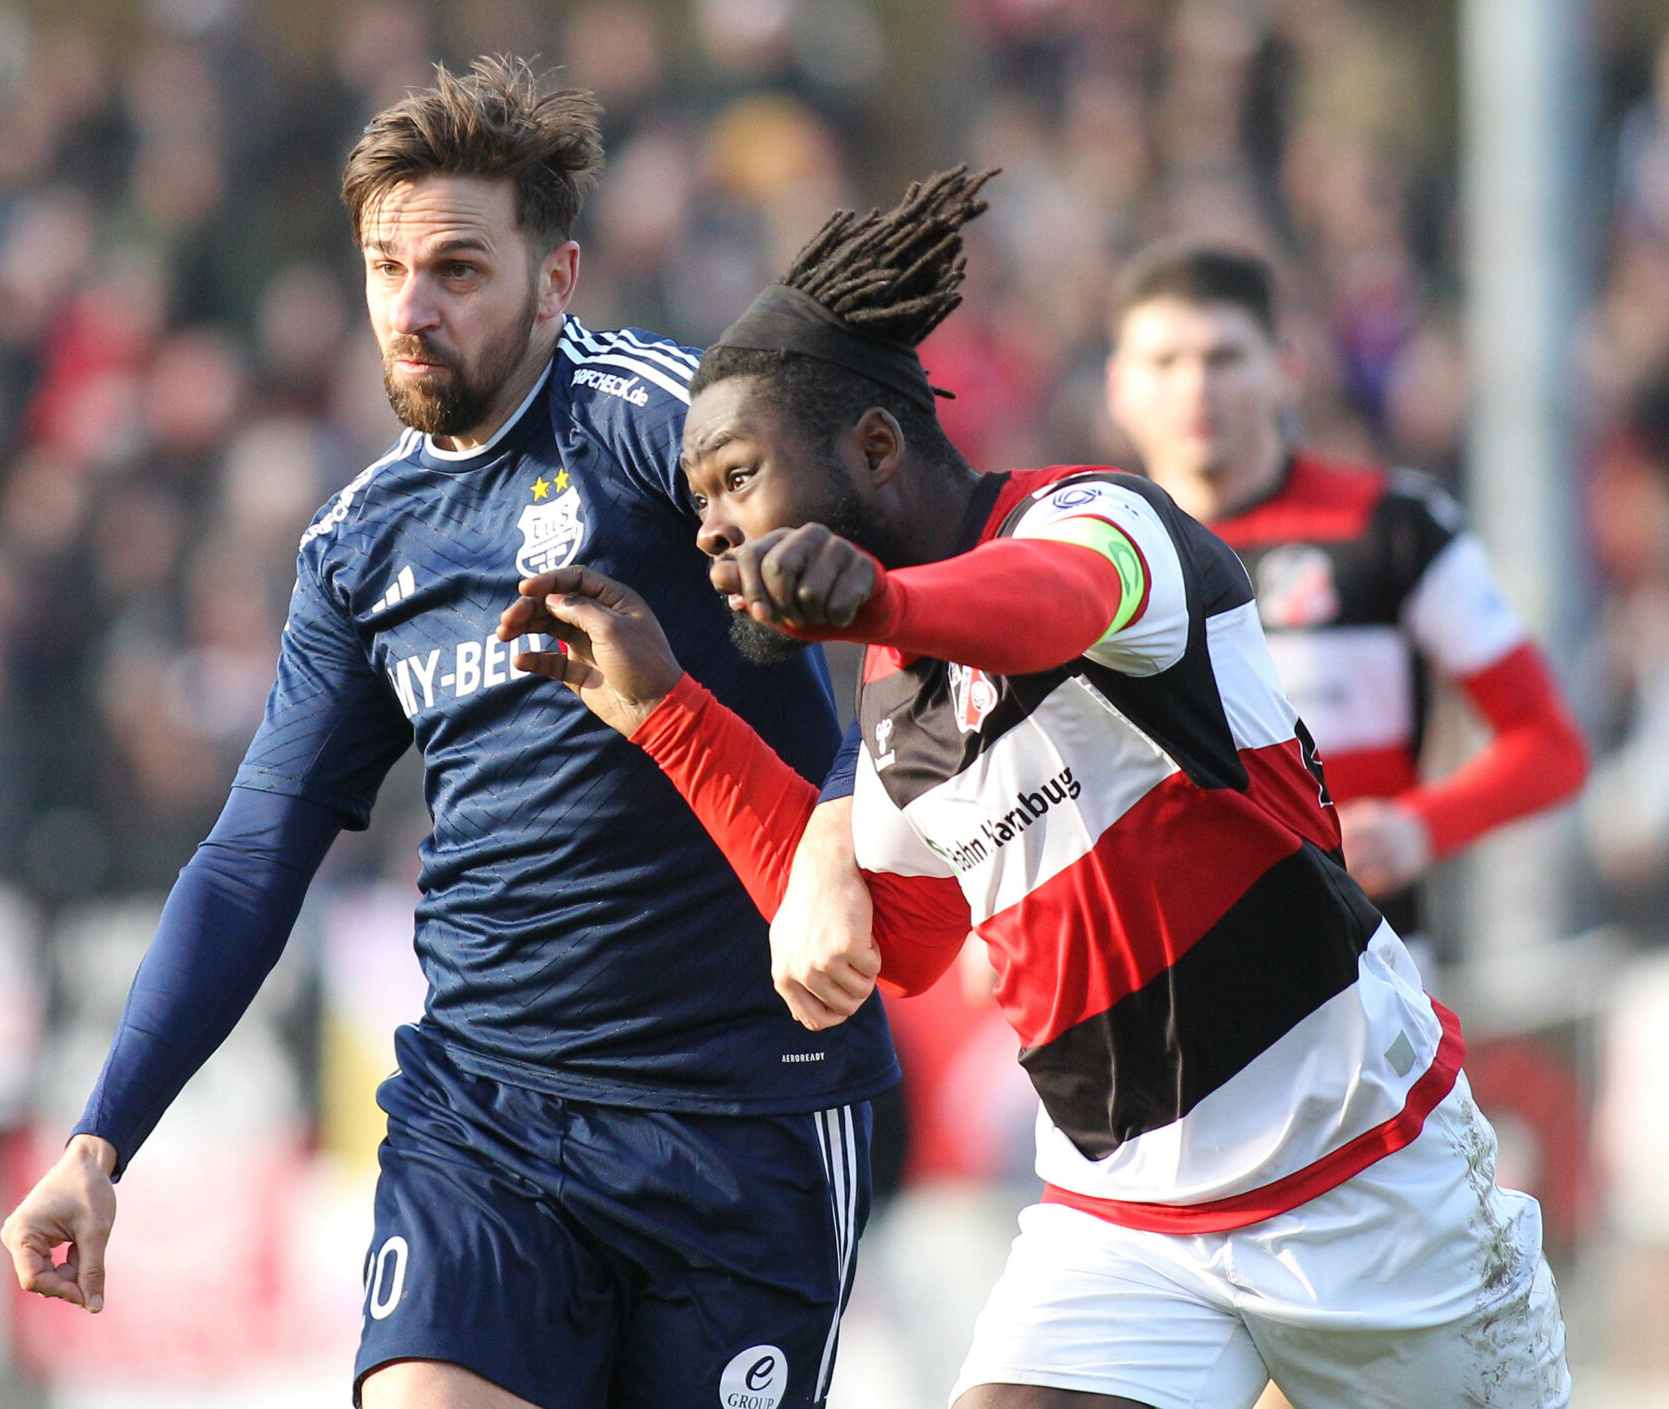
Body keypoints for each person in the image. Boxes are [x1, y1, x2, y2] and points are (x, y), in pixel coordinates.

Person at [500, 167, 1571, 1409]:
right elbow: (897, 946)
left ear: (876, 445)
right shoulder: (894, 697)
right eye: (700, 503)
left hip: (1367, 1186)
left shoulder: (1095, 520)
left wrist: (883, 600)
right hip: (1122, 1226)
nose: (710, 529)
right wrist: (665, 714)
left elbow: (1053, 605)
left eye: (737, 477)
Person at [0, 57, 897, 1409]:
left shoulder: (665, 423)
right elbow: (253, 860)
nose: (410, 310)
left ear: (557, 278)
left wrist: (838, 832)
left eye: (459, 271)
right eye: (385, 268)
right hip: (488, 1122)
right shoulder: (360, 546)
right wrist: (100, 1141)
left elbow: (897, 618)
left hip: (743, 1121)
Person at [1102, 243, 1588, 967]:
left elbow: (1550, 748)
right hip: (1172, 998)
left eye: (1225, 356)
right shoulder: (1089, 561)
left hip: (1369, 980)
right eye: (1165, 362)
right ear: (1118, 386)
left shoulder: (1396, 527)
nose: (1196, 387)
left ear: (1286, 369)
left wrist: (1416, 828)